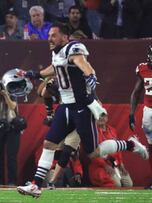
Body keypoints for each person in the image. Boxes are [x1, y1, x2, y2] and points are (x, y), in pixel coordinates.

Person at [16, 23, 148, 198]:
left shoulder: (73, 49)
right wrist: (33, 74)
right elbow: (53, 68)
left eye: (54, 35)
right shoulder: (57, 53)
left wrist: (91, 75)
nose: (49, 38)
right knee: (48, 144)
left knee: (93, 152)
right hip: (65, 107)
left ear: (65, 37)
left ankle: (130, 144)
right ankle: (36, 185)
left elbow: (83, 64)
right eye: (49, 35)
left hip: (82, 108)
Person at [129, 45, 152, 189]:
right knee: (151, 146)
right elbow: (136, 92)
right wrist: (131, 114)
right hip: (148, 111)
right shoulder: (143, 68)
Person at [90, 115, 133, 187]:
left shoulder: (113, 130)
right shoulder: (92, 133)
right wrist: (105, 166)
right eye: (98, 116)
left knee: (129, 184)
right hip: (100, 166)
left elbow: (118, 149)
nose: (101, 118)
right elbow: (92, 154)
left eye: (103, 116)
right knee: (117, 185)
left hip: (114, 164)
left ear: (107, 118)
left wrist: (121, 164)